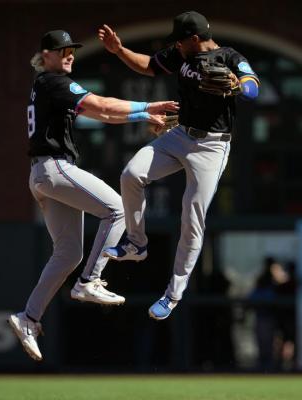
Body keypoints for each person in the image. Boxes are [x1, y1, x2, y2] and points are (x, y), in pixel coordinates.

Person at [8, 29, 179, 361]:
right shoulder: (53, 82)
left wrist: (143, 114)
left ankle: (28, 318)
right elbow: (100, 103)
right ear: (46, 55)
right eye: (62, 50)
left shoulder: (50, 87)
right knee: (116, 208)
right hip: (54, 168)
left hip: (43, 174)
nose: (69, 54)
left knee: (69, 252)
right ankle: (90, 281)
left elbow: (101, 113)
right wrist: (148, 104)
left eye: (72, 49)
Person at [99, 11, 260, 320]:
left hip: (212, 146)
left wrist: (238, 85)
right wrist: (119, 51)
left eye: (180, 40)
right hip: (180, 135)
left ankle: (172, 296)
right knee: (131, 174)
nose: (176, 46)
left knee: (192, 219)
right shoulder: (180, 53)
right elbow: (147, 65)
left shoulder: (229, 56)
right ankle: (136, 243)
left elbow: (254, 87)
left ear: (194, 39)